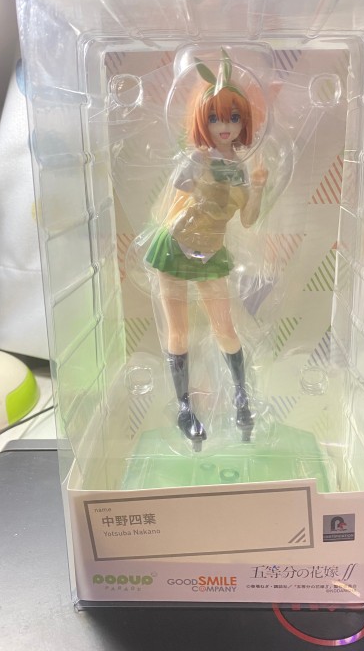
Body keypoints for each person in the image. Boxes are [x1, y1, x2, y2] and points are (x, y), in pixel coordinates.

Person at [145, 51, 267, 449]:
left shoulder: (242, 168)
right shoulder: (197, 158)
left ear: (244, 121)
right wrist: (199, 178)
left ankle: (242, 399)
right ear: (202, 120)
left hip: (212, 251)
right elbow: (177, 195)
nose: (224, 126)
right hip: (175, 246)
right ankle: (184, 408)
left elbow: (248, 218)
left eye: (232, 117)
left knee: (225, 329)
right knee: (178, 331)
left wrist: (258, 188)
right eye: (214, 117)